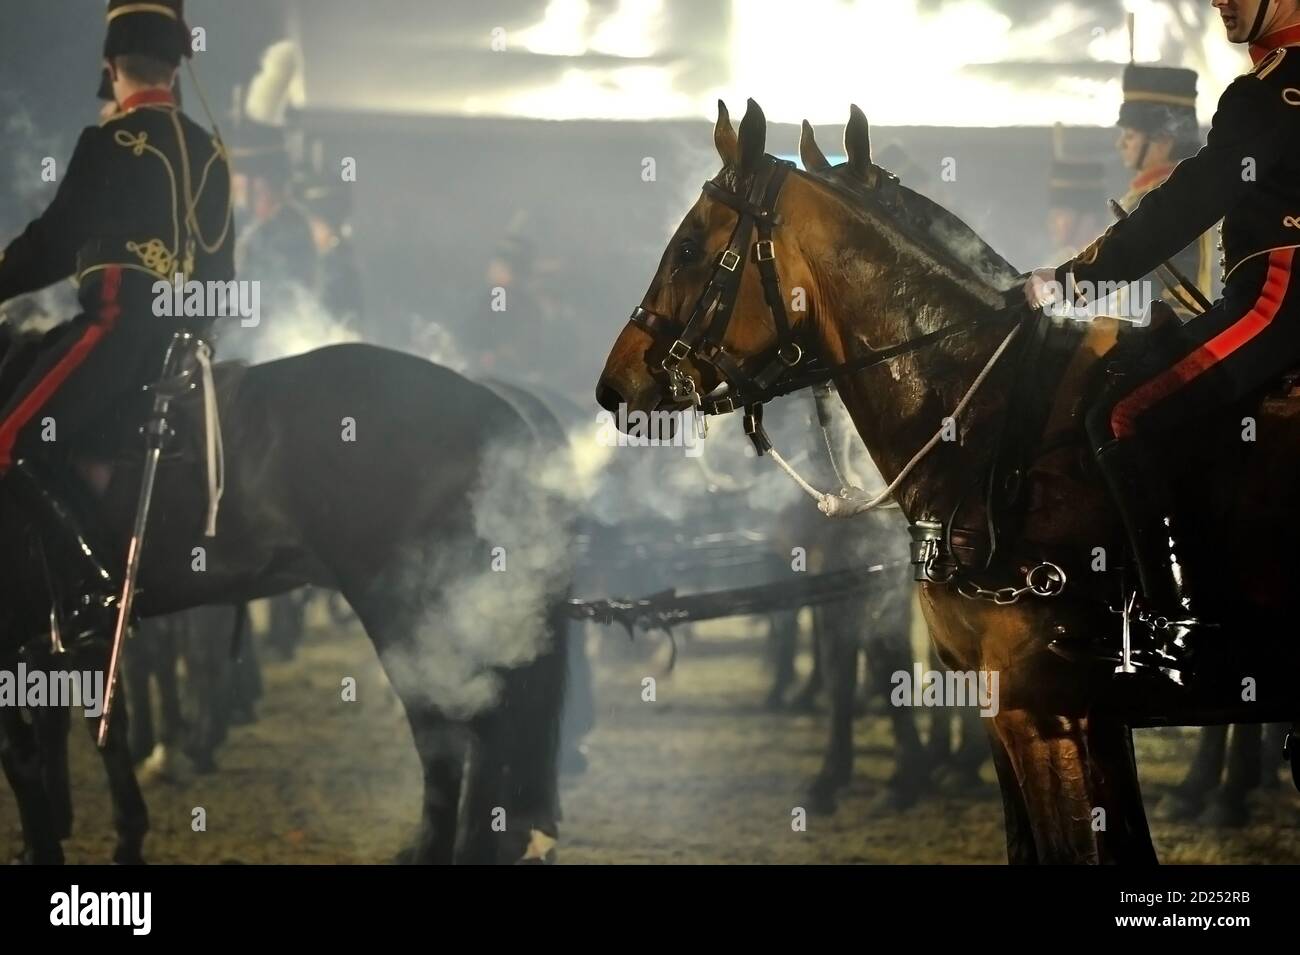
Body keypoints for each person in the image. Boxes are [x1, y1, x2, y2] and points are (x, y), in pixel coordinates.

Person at [1024, 0, 1300, 684]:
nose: (1219, 2)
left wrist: (1078, 277)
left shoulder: (1269, 92)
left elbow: (1192, 201)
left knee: (1122, 413)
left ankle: (1195, 626)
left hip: (1281, 293)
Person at [0, 0, 233, 632]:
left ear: (111, 66)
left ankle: (80, 583)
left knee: (7, 439)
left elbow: (51, 244)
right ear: (175, 68)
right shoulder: (212, 151)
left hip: (112, 334)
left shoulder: (107, 141)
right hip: (183, 351)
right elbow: (221, 278)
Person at [1114, 64, 1218, 317]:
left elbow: (1179, 300)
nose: (1121, 144)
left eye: (1130, 135)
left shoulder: (1177, 198)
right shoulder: (1146, 195)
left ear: (1162, 140)